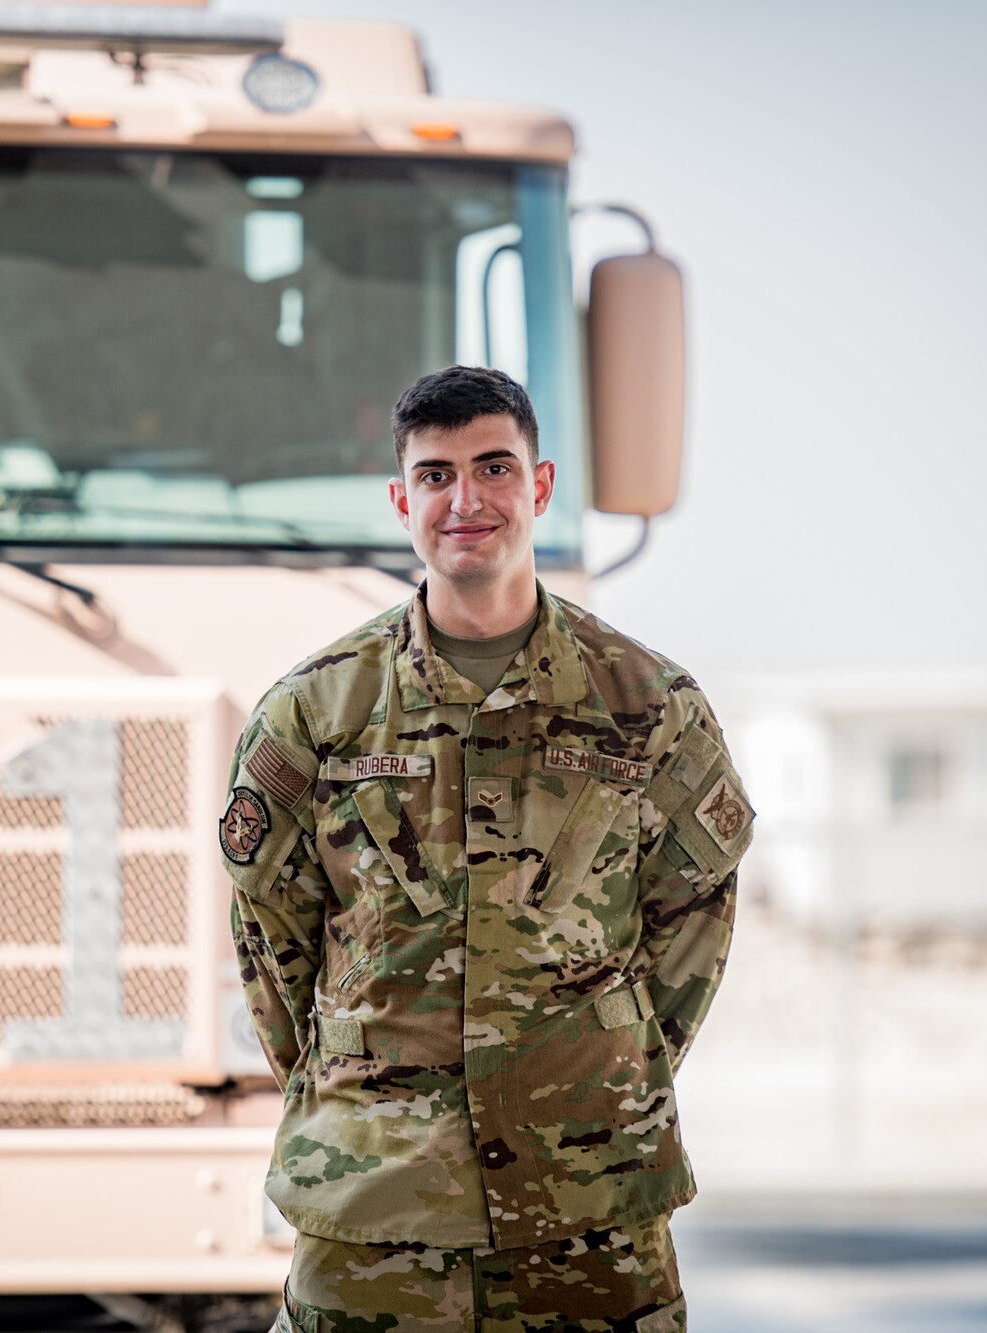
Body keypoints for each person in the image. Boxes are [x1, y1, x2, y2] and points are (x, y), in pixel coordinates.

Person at [221, 366, 752, 1333]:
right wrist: (370, 1092)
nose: (466, 501)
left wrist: (592, 1073)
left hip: (589, 1219)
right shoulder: (316, 712)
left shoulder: (648, 706)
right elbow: (273, 943)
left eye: (493, 468)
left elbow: (690, 929)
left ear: (540, 485)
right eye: (435, 476)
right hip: (375, 1218)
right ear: (402, 499)